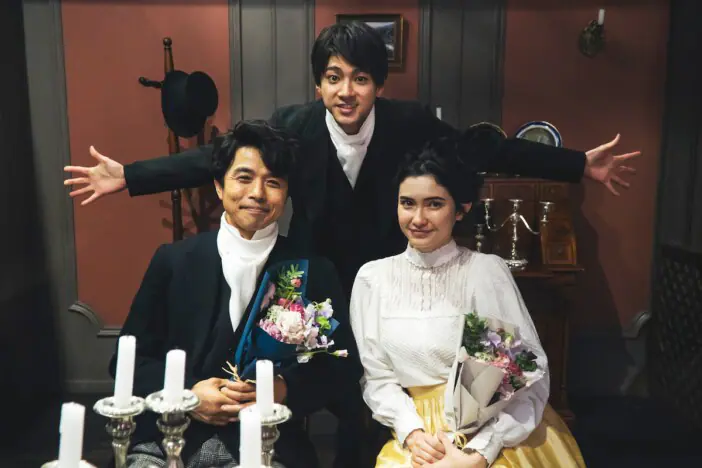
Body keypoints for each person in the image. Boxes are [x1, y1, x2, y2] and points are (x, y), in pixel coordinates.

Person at [67, 21, 635, 467]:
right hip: (311, 281)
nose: (346, 91)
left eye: (360, 78)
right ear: (318, 84)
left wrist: (576, 164)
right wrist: (131, 176)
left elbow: (479, 148)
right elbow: (223, 161)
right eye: (334, 77)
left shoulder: (409, 123)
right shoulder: (295, 125)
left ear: (379, 85)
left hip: (391, 283)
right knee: (328, 399)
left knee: (367, 417)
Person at [112, 120, 361, 468]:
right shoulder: (173, 260)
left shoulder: (314, 269)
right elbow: (129, 361)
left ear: (286, 193)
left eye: (273, 182)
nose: (257, 193)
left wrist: (282, 388)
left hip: (268, 444)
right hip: (170, 436)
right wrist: (187, 394)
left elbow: (341, 368)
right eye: (244, 178)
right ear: (219, 186)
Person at [349, 138, 586, 467]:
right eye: (407, 203)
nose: (418, 218)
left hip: (494, 433)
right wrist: (412, 433)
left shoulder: (484, 271)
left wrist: (480, 454)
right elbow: (377, 377)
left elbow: (525, 373)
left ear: (461, 209)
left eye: (434, 204)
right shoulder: (372, 279)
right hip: (418, 437)